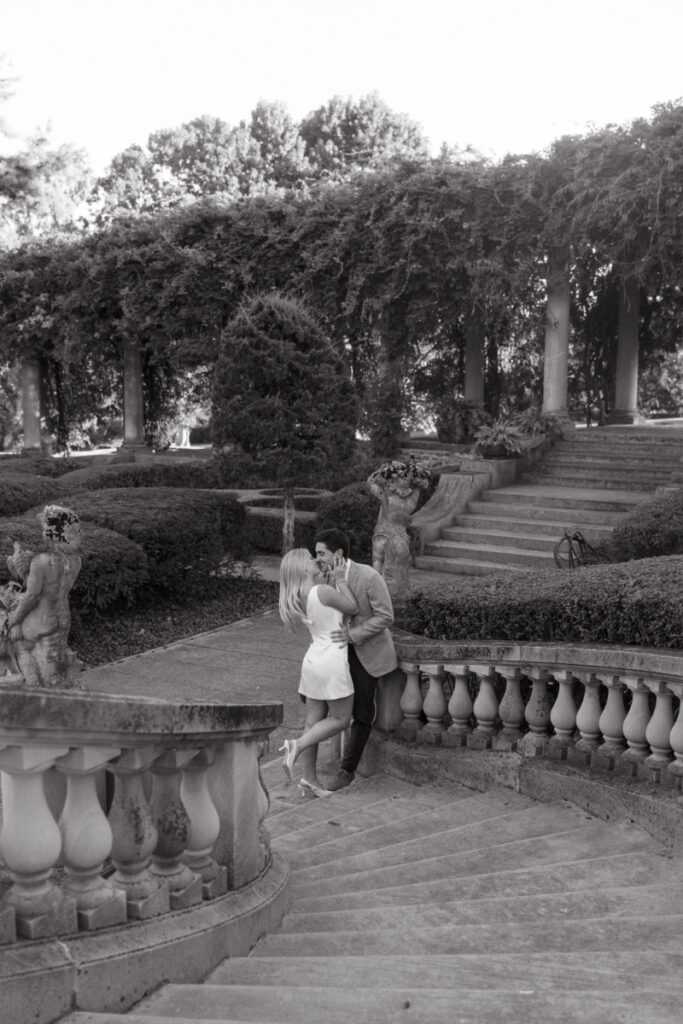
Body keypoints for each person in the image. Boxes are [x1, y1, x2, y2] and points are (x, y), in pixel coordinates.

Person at [314, 528, 398, 791]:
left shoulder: (368, 576)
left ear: (337, 553)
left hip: (367, 653)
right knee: (330, 708)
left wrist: (353, 635)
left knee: (363, 713)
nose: (317, 559)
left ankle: (346, 770)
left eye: (321, 553)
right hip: (337, 655)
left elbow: (386, 616)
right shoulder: (324, 579)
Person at [278, 547, 359, 797]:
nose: (316, 560)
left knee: (313, 722)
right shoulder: (321, 591)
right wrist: (341, 579)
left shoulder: (297, 596)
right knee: (341, 719)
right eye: (311, 558)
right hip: (331, 661)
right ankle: (297, 745)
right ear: (303, 567)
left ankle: (310, 780)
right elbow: (352, 607)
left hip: (313, 660)